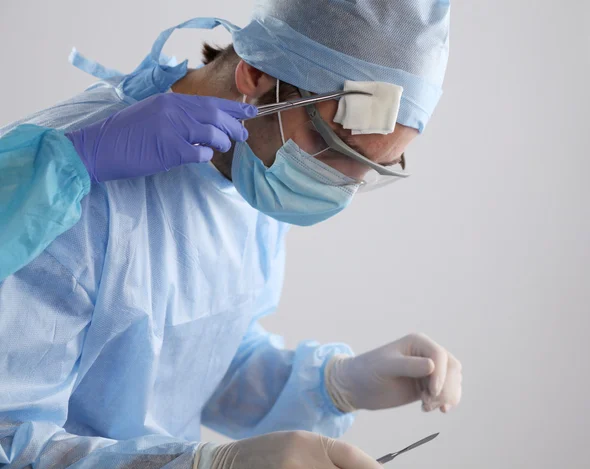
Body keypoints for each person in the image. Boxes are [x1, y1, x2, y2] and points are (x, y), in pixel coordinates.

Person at [0, 2, 461, 469]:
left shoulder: (251, 165)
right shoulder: (60, 193)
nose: (341, 184)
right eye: (334, 145)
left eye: (373, 168)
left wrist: (332, 385)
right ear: (258, 75)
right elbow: (10, 441)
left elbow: (189, 356)